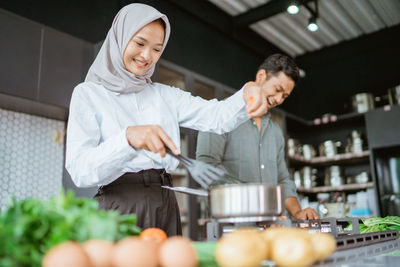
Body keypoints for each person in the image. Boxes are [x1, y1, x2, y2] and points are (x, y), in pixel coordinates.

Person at [65, 3, 272, 236]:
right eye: (140, 43)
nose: (147, 56)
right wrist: (127, 139)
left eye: (156, 49)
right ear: (120, 38)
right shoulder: (89, 94)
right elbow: (80, 171)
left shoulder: (164, 95)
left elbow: (217, 117)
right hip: (119, 205)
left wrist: (247, 94)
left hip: (165, 200)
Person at [196, 54, 319, 220]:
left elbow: (283, 179)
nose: (278, 100)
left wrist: (297, 212)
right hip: (233, 225)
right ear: (261, 76)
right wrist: (257, 204)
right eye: (277, 90)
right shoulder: (221, 117)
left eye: (284, 96)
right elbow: (207, 166)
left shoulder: (276, 132)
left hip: (272, 226)